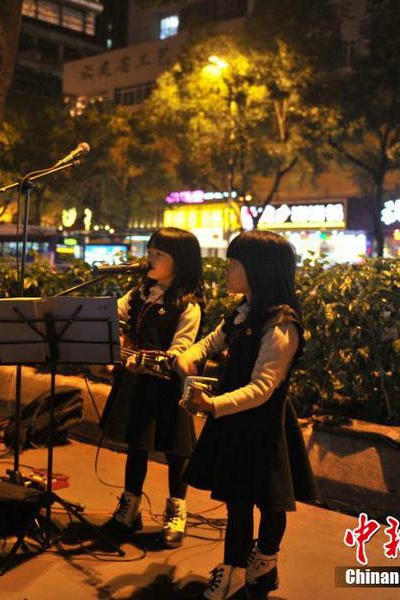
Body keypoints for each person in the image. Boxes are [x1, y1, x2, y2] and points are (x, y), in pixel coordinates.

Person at [175, 230, 318, 600]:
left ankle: (264, 561)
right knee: (238, 499)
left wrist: (212, 405)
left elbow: (262, 387)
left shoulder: (280, 324)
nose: (226, 271)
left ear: (258, 269)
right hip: (236, 421)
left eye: (233, 265)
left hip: (265, 426)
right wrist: (190, 356)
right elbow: (212, 341)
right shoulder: (243, 311)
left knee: (270, 499)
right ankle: (235, 568)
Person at [99, 227, 204, 549]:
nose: (151, 259)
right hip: (137, 380)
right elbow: (113, 319)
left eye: (159, 255)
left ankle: (176, 511)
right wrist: (117, 344)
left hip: (169, 387)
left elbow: (181, 348)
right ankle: (130, 507)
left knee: (176, 452)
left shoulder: (188, 305)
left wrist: (153, 361)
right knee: (137, 445)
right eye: (151, 252)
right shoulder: (138, 294)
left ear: (181, 261)